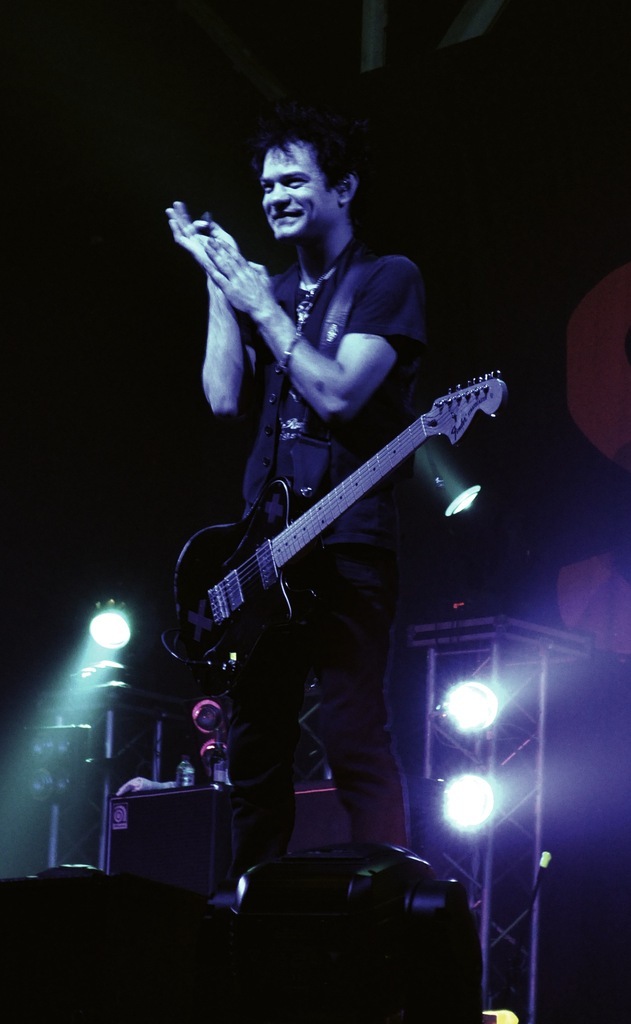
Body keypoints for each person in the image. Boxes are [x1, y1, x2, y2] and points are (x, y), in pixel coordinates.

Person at [165, 100, 426, 879]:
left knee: (353, 738)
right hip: (265, 550)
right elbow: (222, 398)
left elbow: (340, 394)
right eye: (266, 184)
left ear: (341, 188)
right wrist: (222, 286)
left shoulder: (386, 278)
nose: (274, 196)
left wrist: (263, 310)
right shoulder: (269, 288)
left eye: (294, 181)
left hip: (347, 548)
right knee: (255, 751)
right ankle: (247, 914)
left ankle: (388, 908)